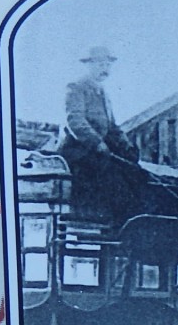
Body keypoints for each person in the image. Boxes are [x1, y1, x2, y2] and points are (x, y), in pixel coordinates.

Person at [61, 46, 148, 223]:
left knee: (135, 174)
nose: (105, 69)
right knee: (116, 182)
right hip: (79, 153)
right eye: (100, 64)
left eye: (108, 65)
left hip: (97, 153)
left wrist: (126, 145)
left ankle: (128, 229)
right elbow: (75, 121)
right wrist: (97, 143)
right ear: (89, 65)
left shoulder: (103, 94)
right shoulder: (77, 87)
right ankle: (114, 230)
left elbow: (112, 127)